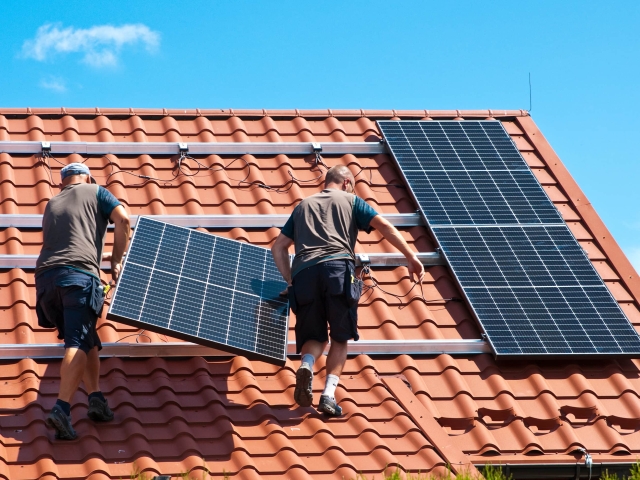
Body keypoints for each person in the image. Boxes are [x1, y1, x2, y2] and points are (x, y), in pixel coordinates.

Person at [271, 165, 424, 416]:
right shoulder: (352, 200)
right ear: (346, 183)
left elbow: (278, 248)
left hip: (304, 275)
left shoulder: (302, 207)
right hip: (337, 270)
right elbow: (384, 226)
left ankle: (307, 365)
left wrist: (290, 282)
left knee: (314, 336)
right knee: (340, 337)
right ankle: (328, 396)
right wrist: (410, 256)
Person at [35, 162, 130, 440]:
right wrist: (115, 261)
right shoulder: (97, 191)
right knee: (77, 342)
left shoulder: (52, 202)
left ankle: (96, 399)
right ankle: (62, 409)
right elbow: (123, 220)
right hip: (78, 277)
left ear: (62, 183)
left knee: (87, 337)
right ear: (87, 177)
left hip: (46, 282)